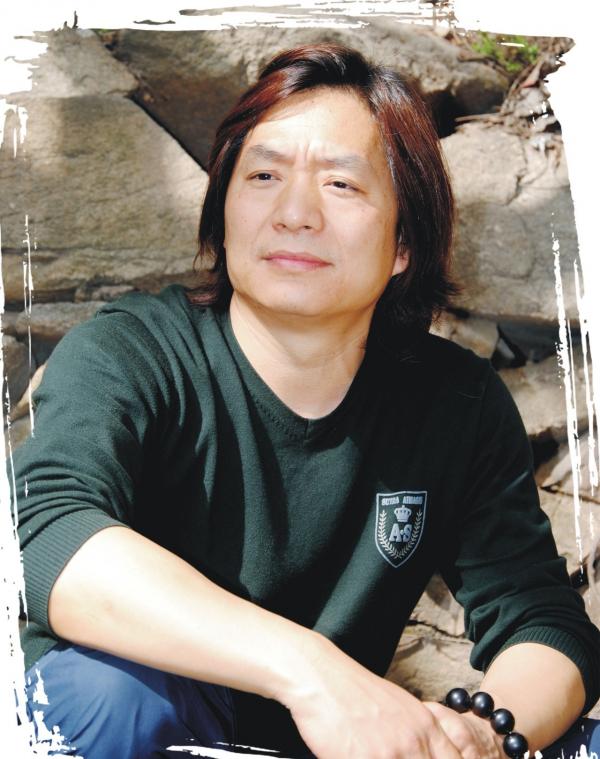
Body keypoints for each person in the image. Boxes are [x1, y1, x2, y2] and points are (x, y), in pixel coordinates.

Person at [13, 43, 600, 759]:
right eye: (263, 176)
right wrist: (314, 674)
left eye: (341, 185)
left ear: (404, 243)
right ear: (223, 211)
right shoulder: (132, 353)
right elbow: (48, 536)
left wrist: (478, 736)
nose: (295, 213)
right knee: (108, 697)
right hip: (141, 730)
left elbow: (543, 620)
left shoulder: (455, 404)